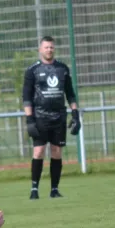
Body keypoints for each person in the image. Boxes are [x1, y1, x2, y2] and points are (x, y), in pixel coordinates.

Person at [22, 36, 81, 200]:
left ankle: (54, 189)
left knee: (56, 152)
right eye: (46, 47)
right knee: (39, 151)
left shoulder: (62, 68)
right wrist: (29, 119)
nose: (49, 50)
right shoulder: (32, 70)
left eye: (51, 47)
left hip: (59, 117)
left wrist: (75, 114)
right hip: (40, 117)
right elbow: (26, 97)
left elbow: (70, 94)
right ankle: (34, 189)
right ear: (40, 50)